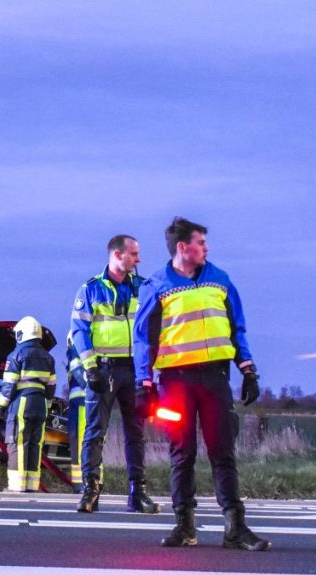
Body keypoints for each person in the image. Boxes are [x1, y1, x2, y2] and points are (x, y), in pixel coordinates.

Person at [133, 216, 270, 551]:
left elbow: (237, 328)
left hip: (215, 379)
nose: (206, 248)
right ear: (183, 247)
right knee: (182, 454)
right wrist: (143, 384)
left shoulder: (221, 280)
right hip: (175, 383)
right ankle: (184, 526)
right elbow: (143, 339)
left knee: (223, 452)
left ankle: (235, 528)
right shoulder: (156, 285)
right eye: (201, 243)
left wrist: (248, 370)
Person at [70, 235, 161, 514]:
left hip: (135, 370)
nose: (139, 259)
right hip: (104, 369)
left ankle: (138, 493)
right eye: (134, 254)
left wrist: (151, 373)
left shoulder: (143, 288)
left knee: (136, 433)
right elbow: (79, 331)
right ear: (117, 255)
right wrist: (91, 367)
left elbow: (153, 330)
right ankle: (90, 490)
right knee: (95, 431)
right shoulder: (91, 289)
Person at [0, 317, 57, 492]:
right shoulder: (49, 358)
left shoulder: (16, 355)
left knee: (17, 442)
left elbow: (9, 386)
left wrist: (0, 406)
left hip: (22, 402)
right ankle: (31, 485)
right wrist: (47, 405)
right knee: (35, 443)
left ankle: (17, 485)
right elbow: (51, 386)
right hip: (41, 404)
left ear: (21, 334)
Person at [64, 333, 89, 493]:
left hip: (81, 404)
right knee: (90, 442)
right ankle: (91, 481)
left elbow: (78, 373)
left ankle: (82, 484)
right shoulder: (89, 351)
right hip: (85, 404)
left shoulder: (75, 350)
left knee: (79, 443)